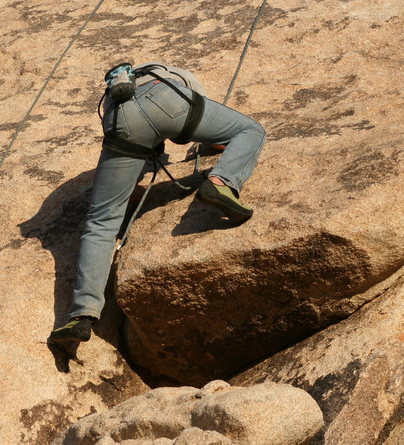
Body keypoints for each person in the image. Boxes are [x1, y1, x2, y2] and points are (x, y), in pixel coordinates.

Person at [47, 62, 265, 350]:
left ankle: (82, 315)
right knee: (250, 130)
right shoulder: (176, 74)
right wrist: (212, 147)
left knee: (101, 222)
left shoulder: (115, 94)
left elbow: (133, 160)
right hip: (167, 99)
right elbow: (206, 124)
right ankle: (222, 183)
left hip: (121, 122)